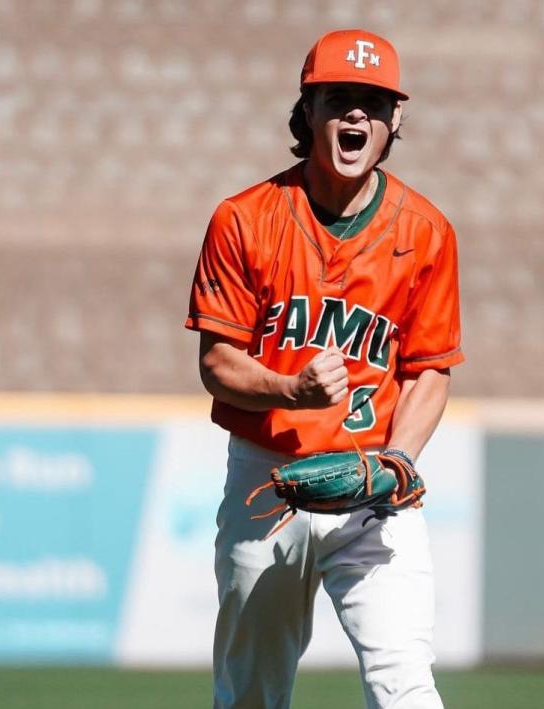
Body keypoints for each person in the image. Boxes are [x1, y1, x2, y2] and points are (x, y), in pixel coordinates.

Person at [186, 28, 463, 709]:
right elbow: (217, 363)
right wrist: (291, 388)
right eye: (339, 98)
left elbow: (431, 369)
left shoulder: (426, 231)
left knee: (405, 684)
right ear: (306, 110)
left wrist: (399, 458)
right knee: (252, 692)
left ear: (396, 119)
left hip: (375, 486)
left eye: (373, 102)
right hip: (270, 478)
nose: (356, 116)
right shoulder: (244, 220)